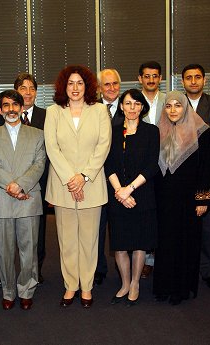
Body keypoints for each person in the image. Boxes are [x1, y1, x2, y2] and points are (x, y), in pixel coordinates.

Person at [44, 65, 111, 308]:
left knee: (89, 240)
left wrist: (83, 176)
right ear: (64, 86)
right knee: (68, 240)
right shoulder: (53, 112)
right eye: (70, 83)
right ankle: (71, 285)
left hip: (91, 184)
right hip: (63, 186)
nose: (75, 88)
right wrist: (71, 179)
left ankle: (87, 287)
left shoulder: (100, 111)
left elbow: (103, 147)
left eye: (80, 83)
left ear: (88, 86)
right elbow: (52, 148)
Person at [0, 90, 46, 311]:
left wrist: (21, 185)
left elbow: (39, 164)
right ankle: (8, 291)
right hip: (1, 200)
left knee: (29, 249)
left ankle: (26, 289)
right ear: (0, 110)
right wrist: (12, 186)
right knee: (5, 250)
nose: (11, 109)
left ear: (22, 108)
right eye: (6, 105)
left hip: (28, 198)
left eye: (15, 105)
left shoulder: (37, 134)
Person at [153, 90, 210, 305]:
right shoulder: (158, 131)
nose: (173, 110)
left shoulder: (200, 131)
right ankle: (163, 287)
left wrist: (203, 199)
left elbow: (206, 167)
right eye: (168, 106)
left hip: (189, 200)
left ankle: (181, 288)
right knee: (165, 243)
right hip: (164, 199)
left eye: (178, 105)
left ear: (185, 107)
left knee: (186, 243)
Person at [105, 89, 159, 306]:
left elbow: (152, 165)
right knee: (120, 243)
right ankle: (125, 283)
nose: (132, 108)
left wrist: (130, 189)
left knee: (139, 243)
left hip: (142, 195)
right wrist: (120, 191)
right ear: (121, 106)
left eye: (137, 104)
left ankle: (135, 283)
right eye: (128, 104)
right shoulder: (112, 131)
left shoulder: (151, 131)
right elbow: (108, 163)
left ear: (142, 107)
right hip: (117, 195)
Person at [0, 73, 48, 287]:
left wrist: (26, 183)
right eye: (22, 88)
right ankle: (6, 274)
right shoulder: (3, 115)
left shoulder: (46, 115)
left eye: (31, 88)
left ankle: (35, 271)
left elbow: (46, 153)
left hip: (37, 183)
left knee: (36, 233)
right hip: (7, 186)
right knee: (6, 238)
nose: (27, 92)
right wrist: (13, 185)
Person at [182, 63, 210, 290]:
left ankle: (209, 271)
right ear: (182, 82)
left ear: (204, 80)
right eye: (189, 78)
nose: (193, 81)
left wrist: (188, 130)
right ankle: (186, 267)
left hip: (208, 177)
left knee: (208, 226)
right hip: (182, 178)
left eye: (197, 77)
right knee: (185, 224)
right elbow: (172, 135)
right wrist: (208, 127)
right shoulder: (176, 103)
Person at [94, 68, 123, 285]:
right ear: (99, 88)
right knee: (98, 227)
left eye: (115, 84)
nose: (111, 88)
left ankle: (125, 270)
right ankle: (98, 269)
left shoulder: (130, 107)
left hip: (123, 179)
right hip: (97, 177)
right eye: (107, 84)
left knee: (121, 227)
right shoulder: (92, 110)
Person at [137, 60, 166, 278]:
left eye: (155, 76)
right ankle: (146, 260)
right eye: (147, 76)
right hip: (141, 168)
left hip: (166, 166)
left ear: (160, 78)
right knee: (145, 214)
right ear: (140, 79)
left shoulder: (171, 100)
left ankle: (162, 258)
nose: (151, 80)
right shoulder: (133, 101)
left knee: (162, 213)